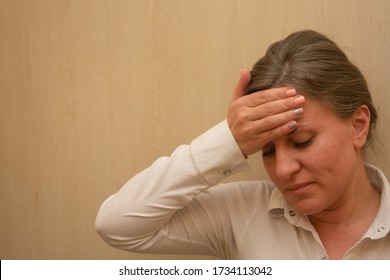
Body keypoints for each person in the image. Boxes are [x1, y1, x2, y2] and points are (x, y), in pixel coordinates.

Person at [95, 30, 390, 260]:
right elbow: (117, 225)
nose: (283, 169)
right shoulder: (244, 213)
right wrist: (230, 138)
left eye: (302, 141)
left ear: (358, 126)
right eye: (267, 150)